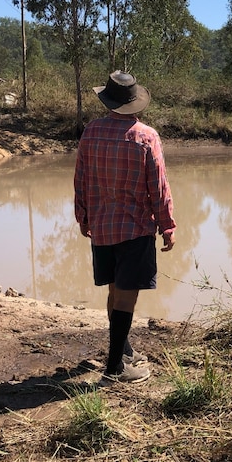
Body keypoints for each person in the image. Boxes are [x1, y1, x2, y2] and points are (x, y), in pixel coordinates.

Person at [73, 70, 176, 384]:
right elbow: (158, 187)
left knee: (115, 291)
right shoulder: (146, 136)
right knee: (126, 297)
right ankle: (115, 368)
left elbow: (81, 178)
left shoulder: (91, 132)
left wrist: (83, 216)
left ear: (107, 102)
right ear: (136, 104)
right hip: (134, 229)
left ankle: (123, 350)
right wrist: (168, 225)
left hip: (103, 227)